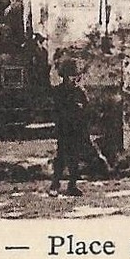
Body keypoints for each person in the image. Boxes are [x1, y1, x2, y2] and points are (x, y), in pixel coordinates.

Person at [48, 56, 89, 197]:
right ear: (64, 76)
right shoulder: (58, 92)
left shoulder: (79, 92)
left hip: (76, 129)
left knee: (75, 158)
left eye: (74, 75)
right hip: (64, 128)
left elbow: (86, 110)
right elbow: (56, 110)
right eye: (70, 75)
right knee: (61, 157)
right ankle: (55, 184)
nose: (73, 78)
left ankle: (72, 185)